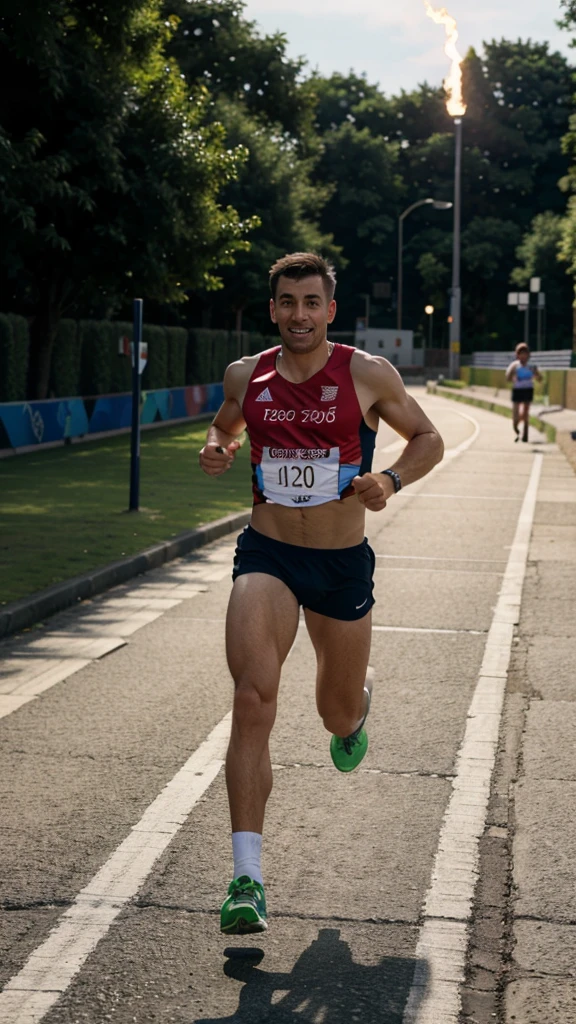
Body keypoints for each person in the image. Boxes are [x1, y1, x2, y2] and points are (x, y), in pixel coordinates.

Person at [199, 252, 444, 936]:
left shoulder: (366, 374)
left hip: (340, 564)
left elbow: (428, 437)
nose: (298, 314)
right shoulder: (247, 376)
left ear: (330, 310)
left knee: (334, 717)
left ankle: (357, 706)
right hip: (268, 553)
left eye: (312, 302)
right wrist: (217, 445)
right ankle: (247, 878)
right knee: (252, 698)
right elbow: (225, 424)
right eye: (286, 302)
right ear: (272, 308)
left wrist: (391, 480)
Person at [505, 342, 542, 443]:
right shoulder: (514, 365)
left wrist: (536, 375)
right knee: (516, 414)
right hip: (517, 390)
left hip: (528, 390)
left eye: (525, 353)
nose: (523, 356)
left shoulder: (532, 366)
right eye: (521, 353)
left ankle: (525, 434)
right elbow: (507, 377)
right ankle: (516, 427)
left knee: (525, 413)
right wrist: (512, 375)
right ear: (517, 355)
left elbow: (539, 378)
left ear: (528, 355)